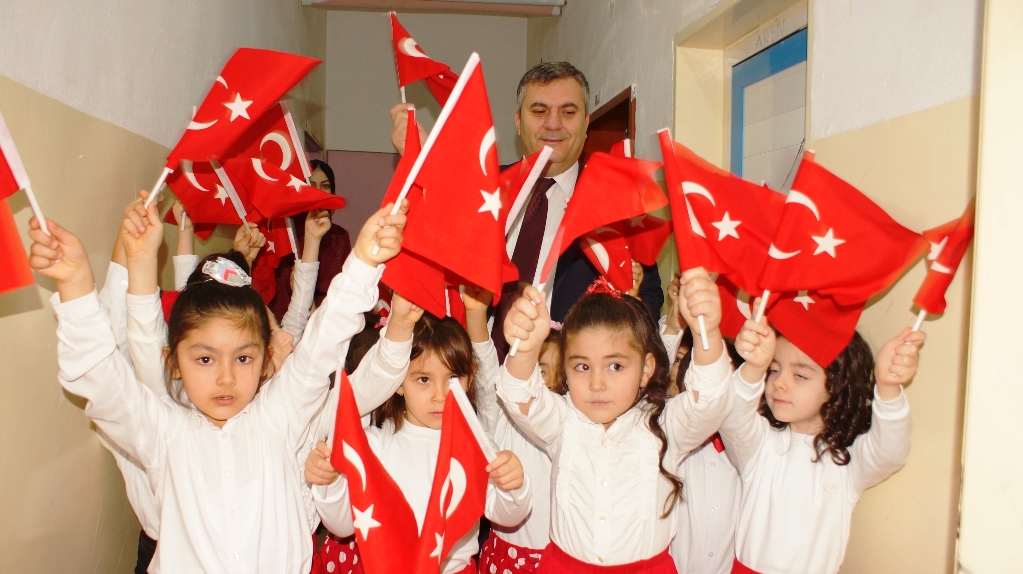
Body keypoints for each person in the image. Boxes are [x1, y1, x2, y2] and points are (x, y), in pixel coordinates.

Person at [28, 193, 408, 572]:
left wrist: (364, 261)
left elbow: (321, 344)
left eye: (243, 358)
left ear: (264, 361)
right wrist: (76, 285)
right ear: (174, 364)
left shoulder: (278, 417)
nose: (226, 378)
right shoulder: (164, 432)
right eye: (205, 359)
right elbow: (104, 383)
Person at [390, 62, 663, 330]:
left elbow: (648, 300)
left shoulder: (617, 206)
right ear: (518, 122)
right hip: (474, 352)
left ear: (586, 122)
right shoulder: (481, 190)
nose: (553, 123)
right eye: (539, 111)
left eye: (568, 112)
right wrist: (421, 165)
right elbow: (432, 254)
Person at [496, 270, 733, 572]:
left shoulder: (665, 426)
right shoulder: (563, 421)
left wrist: (706, 332)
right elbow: (518, 394)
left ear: (646, 369)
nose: (597, 384)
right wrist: (525, 349)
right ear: (565, 369)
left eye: (615, 366)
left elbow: (711, 401)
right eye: (582, 367)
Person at [304, 307, 533, 574]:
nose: (440, 395)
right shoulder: (373, 446)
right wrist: (330, 483)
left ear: (470, 377)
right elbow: (343, 525)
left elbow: (506, 515)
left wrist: (512, 486)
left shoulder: (475, 446)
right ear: (399, 382)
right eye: (424, 379)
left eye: (453, 378)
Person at [722, 308, 925, 574]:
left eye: (800, 375)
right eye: (773, 370)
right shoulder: (760, 445)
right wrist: (754, 368)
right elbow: (733, 416)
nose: (779, 382)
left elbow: (889, 451)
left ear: (838, 386)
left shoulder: (845, 462)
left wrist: (888, 387)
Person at [270, 159, 352, 322]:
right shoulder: (283, 229)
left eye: (325, 185)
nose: (318, 191)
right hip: (285, 322)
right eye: (311, 185)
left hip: (327, 322)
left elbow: (344, 291)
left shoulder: (339, 236)